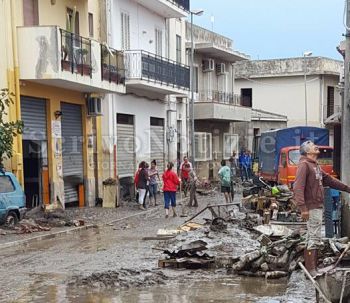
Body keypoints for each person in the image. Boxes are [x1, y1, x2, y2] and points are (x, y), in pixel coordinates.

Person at [294, 141, 350, 276]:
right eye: (312, 145)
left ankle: (311, 269)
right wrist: (303, 208)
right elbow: (298, 187)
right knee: (314, 237)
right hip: (311, 206)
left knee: (312, 236)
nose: (316, 146)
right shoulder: (304, 165)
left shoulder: (315, 166)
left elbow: (329, 180)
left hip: (317, 206)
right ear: (307, 152)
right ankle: (312, 270)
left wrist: (347, 188)